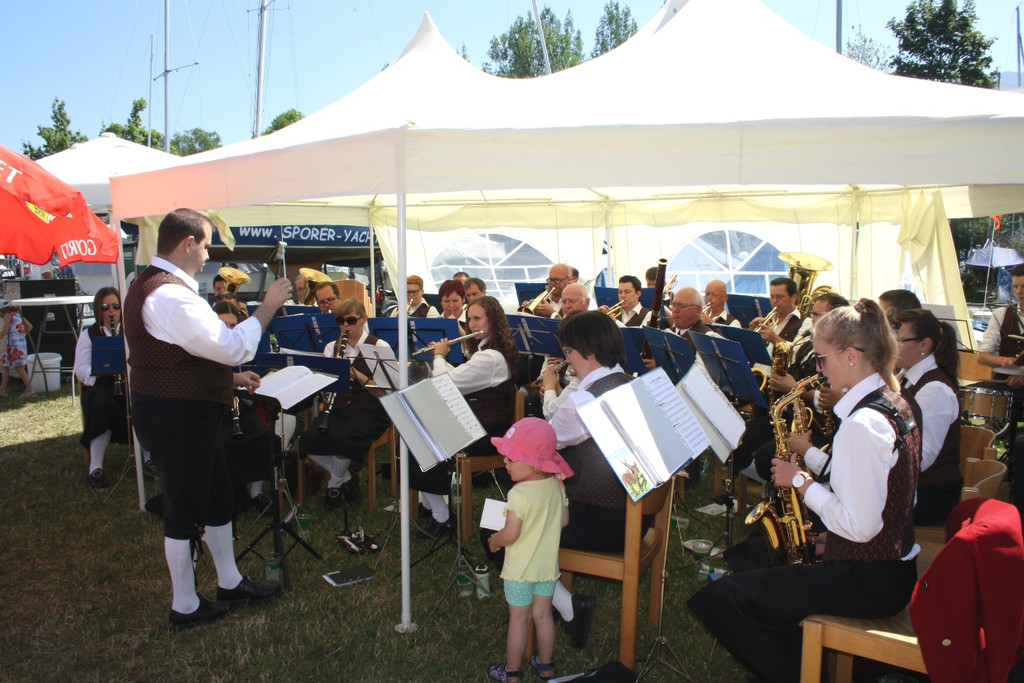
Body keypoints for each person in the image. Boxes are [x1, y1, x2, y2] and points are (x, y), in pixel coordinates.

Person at [689, 298, 921, 683]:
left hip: (867, 581)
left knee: (724, 599)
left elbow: (861, 526)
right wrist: (835, 538)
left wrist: (800, 481)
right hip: (885, 568)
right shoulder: (893, 402)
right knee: (765, 578)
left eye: (821, 359)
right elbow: (889, 504)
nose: (817, 369)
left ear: (850, 356)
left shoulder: (863, 425)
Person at [123, 208, 292, 631]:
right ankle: (184, 606)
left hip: (185, 409)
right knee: (183, 506)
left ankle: (229, 581)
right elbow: (231, 345)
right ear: (187, 243)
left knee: (218, 495)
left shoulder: (151, 285)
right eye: (205, 244)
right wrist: (266, 307)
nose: (207, 254)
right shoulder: (169, 295)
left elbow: (184, 354)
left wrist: (229, 378)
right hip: (176, 414)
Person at [547, 311, 634, 649]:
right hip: (633, 516)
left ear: (589, 351)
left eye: (569, 351)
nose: (567, 361)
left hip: (605, 521)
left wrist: (552, 392)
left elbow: (547, 442)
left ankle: (568, 607)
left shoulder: (586, 399)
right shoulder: (629, 382)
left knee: (503, 526)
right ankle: (550, 598)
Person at [412, 295, 518, 537]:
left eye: (478, 318)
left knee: (419, 440)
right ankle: (430, 504)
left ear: (493, 321)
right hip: (481, 424)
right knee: (418, 435)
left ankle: (442, 516)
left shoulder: (491, 357)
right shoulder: (489, 350)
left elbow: (448, 384)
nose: (471, 325)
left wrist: (438, 356)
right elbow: (462, 376)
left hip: (485, 430)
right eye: (470, 319)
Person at [486, 418, 572, 683]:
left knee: (519, 620)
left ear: (532, 461)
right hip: (547, 569)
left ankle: (512, 672)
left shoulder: (519, 495)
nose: (505, 462)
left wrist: (495, 541)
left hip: (519, 572)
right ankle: (545, 665)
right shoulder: (557, 486)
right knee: (544, 615)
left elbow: (511, 533)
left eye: (511, 458)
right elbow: (565, 520)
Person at [299, 298, 392, 510]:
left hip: (369, 409)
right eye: (340, 321)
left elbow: (384, 392)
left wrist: (354, 373)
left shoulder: (379, 346)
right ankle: (347, 478)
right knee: (308, 441)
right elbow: (325, 386)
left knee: (343, 439)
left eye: (351, 320)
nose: (345, 326)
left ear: (363, 319)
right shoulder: (332, 347)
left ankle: (333, 486)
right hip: (338, 408)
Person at [74, 288, 153, 488]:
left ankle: (149, 458)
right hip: (101, 384)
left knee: (144, 401)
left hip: (129, 383)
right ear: (98, 310)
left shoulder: (131, 332)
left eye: (116, 306)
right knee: (100, 403)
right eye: (106, 307)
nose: (112, 311)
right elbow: (81, 369)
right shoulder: (88, 335)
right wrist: (100, 370)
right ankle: (95, 467)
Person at [894, 308, 962, 526]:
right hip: (915, 487)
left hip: (930, 495)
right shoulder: (906, 376)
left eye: (900, 341)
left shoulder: (935, 390)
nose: (893, 346)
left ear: (925, 344)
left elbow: (920, 459)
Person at [213, 300, 273, 516]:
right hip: (214, 409)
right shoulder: (206, 347)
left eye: (233, 326)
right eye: (224, 326)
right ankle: (232, 491)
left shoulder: (243, 349)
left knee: (261, 433)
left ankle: (256, 492)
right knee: (224, 440)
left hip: (239, 407)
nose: (229, 331)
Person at [0, 300, 33, 399]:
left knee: (19, 368)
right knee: (5, 365)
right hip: (15, 345)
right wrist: (21, 336)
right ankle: (2, 390)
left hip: (15, 347)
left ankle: (31, 390)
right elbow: (30, 327)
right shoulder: (18, 314)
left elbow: (5, 330)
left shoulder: (7, 315)